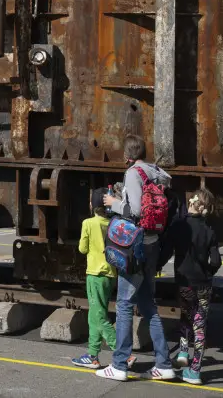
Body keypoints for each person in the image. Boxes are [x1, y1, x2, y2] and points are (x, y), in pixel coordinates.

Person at [97, 134, 175, 382]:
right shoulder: (157, 172)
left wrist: (114, 202)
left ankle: (119, 364)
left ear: (128, 155)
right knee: (148, 305)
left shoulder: (133, 173)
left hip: (136, 245)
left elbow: (136, 211)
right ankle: (163, 364)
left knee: (123, 305)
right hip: (153, 243)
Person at [166, 188, 222, 385]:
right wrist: (206, 272)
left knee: (185, 316)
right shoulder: (209, 230)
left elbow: (166, 248)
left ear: (191, 203)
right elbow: (216, 261)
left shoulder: (179, 225)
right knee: (200, 326)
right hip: (204, 285)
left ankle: (182, 351)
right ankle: (195, 370)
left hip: (184, 283)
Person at [73, 188, 118, 369]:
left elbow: (82, 249)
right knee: (94, 315)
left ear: (92, 205)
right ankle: (92, 355)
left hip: (95, 274)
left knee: (99, 316)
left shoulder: (88, 223)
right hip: (110, 274)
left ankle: (122, 352)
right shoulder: (112, 223)